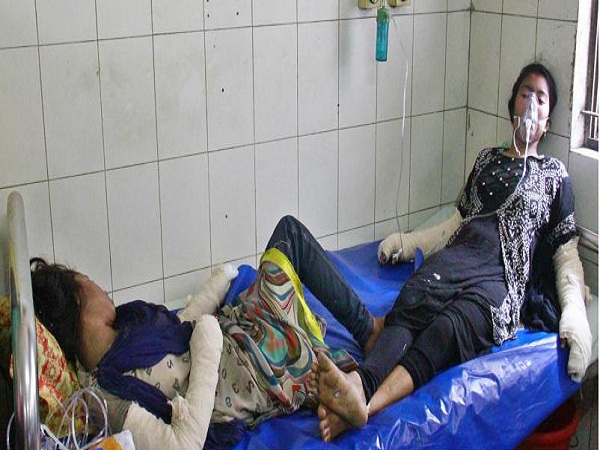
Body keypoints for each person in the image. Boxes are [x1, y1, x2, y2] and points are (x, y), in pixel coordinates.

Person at [314, 62, 593, 441]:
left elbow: (566, 253)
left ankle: (365, 406)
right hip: (459, 257)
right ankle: (359, 385)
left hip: (500, 278)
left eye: (541, 99)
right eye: (525, 93)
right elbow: (455, 223)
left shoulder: (555, 176)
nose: (531, 103)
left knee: (446, 329)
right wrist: (409, 243)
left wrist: (575, 316)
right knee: (411, 305)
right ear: (512, 105)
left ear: (547, 122)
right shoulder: (487, 160)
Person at [30, 215, 383, 450]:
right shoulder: (106, 396)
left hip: (237, 328)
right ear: (78, 300)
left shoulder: (127, 323)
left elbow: (181, 327)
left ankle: (357, 350)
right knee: (295, 351)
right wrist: (209, 341)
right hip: (243, 373)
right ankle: (354, 379)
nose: (102, 288)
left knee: (287, 234)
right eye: (90, 282)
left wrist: (215, 288)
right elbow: (183, 444)